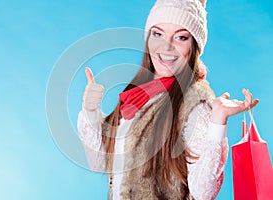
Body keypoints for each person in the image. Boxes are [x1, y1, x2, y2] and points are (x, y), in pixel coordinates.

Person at [77, 0, 259, 199]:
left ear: (194, 45)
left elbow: (203, 193)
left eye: (181, 37)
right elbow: (99, 162)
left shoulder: (195, 102)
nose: (167, 46)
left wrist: (218, 120)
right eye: (158, 34)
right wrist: (90, 110)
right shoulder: (137, 93)